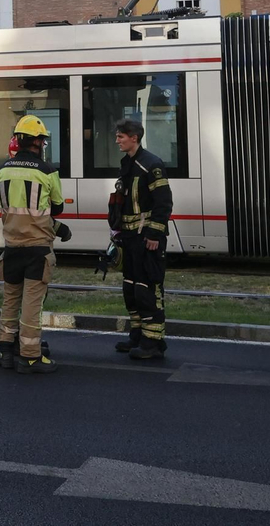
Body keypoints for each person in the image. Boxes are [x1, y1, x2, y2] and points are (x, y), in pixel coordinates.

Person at [0, 114, 69, 374]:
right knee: (32, 306)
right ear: (37, 142)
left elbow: (17, 211)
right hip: (37, 248)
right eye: (42, 140)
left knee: (10, 300)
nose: (44, 144)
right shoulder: (47, 172)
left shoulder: (2, 170)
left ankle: (5, 349)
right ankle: (29, 356)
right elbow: (56, 208)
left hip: (11, 246)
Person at [110, 118, 172, 361]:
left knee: (148, 289)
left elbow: (163, 203)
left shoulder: (152, 165)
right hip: (129, 239)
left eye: (120, 137)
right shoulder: (128, 164)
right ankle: (137, 335)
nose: (117, 141)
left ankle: (153, 342)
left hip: (147, 239)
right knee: (131, 288)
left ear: (134, 137)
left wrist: (154, 234)